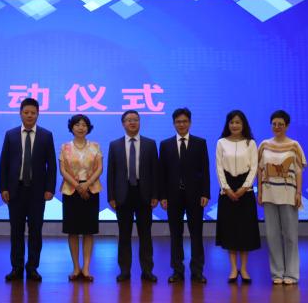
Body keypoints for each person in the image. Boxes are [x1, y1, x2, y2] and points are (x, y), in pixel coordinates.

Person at [0, 98, 57, 282]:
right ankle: (16, 267)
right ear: (20, 113)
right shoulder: (11, 135)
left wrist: (50, 189)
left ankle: (32, 267)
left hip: (37, 192)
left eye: (33, 113)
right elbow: (4, 163)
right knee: (16, 231)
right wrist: (3, 188)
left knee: (35, 231)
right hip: (15, 191)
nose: (29, 115)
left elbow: (51, 165)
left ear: (38, 114)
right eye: (26, 112)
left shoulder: (46, 135)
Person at [107, 109, 159, 283]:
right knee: (124, 235)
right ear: (123, 124)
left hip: (144, 194)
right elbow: (111, 173)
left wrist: (155, 194)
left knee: (146, 235)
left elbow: (155, 171)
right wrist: (111, 196)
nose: (132, 122)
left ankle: (147, 270)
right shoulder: (115, 145)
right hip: (123, 195)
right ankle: (124, 271)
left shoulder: (150, 144)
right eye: (129, 120)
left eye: (135, 119)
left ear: (139, 122)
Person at [159, 107, 210, 283]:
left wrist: (205, 193)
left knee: (196, 234)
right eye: (178, 122)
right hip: (173, 196)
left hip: (195, 196)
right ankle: (177, 270)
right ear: (174, 124)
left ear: (190, 123)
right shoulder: (165, 144)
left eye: (184, 121)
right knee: (175, 234)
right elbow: (162, 173)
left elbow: (205, 170)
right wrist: (163, 196)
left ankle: (197, 271)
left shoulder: (200, 143)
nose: (181, 124)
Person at [257, 109, 307, 285]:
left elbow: (299, 171)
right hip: (269, 194)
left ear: (287, 126)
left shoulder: (294, 145)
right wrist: (260, 191)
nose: (277, 127)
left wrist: (298, 193)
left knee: (291, 235)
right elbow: (259, 170)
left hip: (288, 195)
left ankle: (291, 274)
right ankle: (277, 273)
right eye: (274, 124)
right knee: (272, 235)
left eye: (281, 124)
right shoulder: (264, 145)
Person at [214, 110, 260, 284]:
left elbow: (254, 167)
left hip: (245, 190)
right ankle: (233, 269)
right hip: (227, 191)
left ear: (243, 124)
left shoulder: (251, 143)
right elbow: (219, 167)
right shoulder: (221, 142)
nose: (234, 125)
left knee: (245, 231)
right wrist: (226, 188)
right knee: (230, 231)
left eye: (238, 122)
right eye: (232, 122)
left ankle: (244, 269)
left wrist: (245, 187)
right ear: (228, 124)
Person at [59, 114, 102, 282]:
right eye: (77, 124)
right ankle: (76, 267)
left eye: (84, 124)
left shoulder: (95, 146)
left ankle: (86, 268)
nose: (81, 127)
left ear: (88, 128)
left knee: (89, 231)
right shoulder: (65, 147)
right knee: (73, 231)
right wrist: (78, 186)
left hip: (91, 191)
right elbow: (63, 170)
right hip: (71, 191)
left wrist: (87, 184)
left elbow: (99, 168)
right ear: (72, 127)